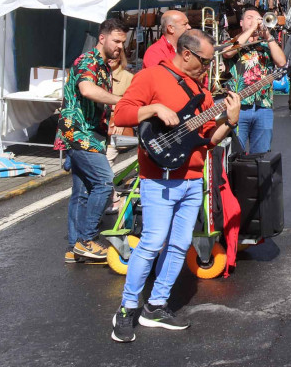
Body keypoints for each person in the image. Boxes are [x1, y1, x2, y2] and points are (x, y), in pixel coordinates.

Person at [110, 30, 241, 342]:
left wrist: (230, 121)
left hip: (192, 179)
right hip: (158, 178)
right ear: (186, 54)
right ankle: (127, 308)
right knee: (153, 242)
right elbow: (122, 113)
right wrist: (154, 109)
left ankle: (155, 304)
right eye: (205, 61)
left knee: (180, 244)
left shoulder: (204, 93)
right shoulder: (152, 77)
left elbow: (208, 141)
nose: (209, 68)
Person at [58, 18, 127, 264]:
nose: (120, 46)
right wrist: (120, 101)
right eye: (116, 41)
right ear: (102, 38)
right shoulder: (88, 60)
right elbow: (87, 89)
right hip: (79, 135)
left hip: (90, 135)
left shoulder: (104, 66)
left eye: (123, 42)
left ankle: (74, 247)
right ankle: (86, 240)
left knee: (81, 192)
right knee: (104, 182)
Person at [222, 6, 288, 154]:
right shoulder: (233, 42)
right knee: (234, 152)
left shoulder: (266, 46)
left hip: (263, 106)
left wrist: (268, 36)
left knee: (262, 154)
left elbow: (282, 62)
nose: (254, 21)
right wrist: (251, 30)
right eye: (249, 18)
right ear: (241, 22)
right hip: (238, 107)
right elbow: (228, 53)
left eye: (257, 18)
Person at [105, 56, 135, 164]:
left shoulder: (128, 77)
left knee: (106, 164)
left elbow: (133, 105)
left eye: (115, 56)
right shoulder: (98, 74)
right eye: (108, 56)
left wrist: (121, 121)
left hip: (114, 127)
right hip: (96, 128)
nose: (111, 59)